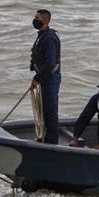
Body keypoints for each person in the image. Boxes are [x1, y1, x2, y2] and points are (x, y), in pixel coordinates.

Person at [29, 9, 61, 144]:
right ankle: (44, 136)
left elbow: (50, 63)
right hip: (45, 78)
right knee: (43, 110)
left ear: (45, 21)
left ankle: (52, 142)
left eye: (37, 18)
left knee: (50, 111)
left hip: (50, 79)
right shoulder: (41, 35)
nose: (34, 20)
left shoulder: (49, 38)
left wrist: (37, 78)